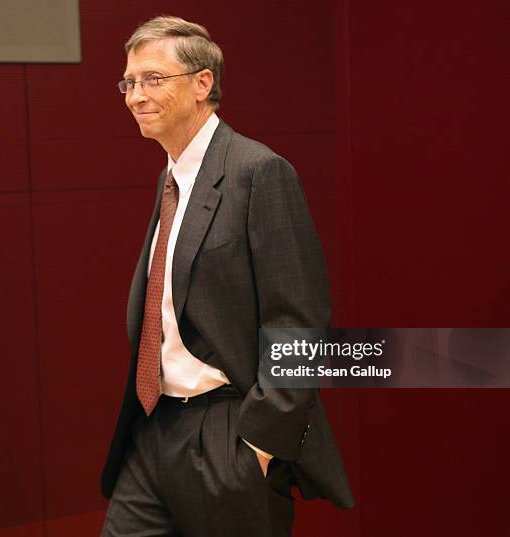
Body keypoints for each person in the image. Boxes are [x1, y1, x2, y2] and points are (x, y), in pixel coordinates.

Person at [100, 15, 353, 537]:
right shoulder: (171, 177)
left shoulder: (257, 172)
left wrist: (259, 447)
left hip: (227, 432)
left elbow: (299, 321)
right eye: (129, 82)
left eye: (152, 79)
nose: (135, 96)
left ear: (202, 83)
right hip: (152, 430)